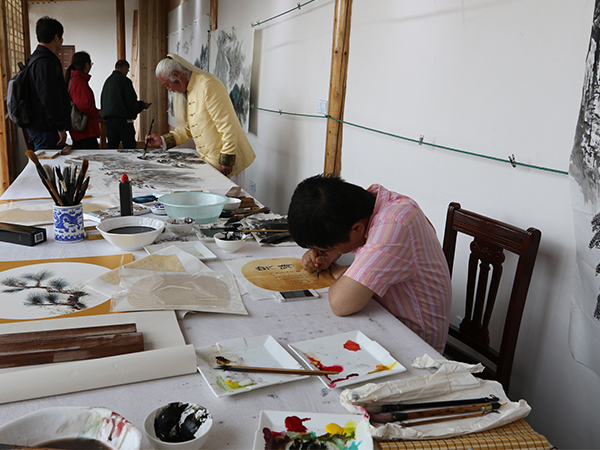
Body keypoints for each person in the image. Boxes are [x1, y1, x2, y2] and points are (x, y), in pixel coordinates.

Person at [287, 174, 452, 353]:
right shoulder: (363, 205)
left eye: (329, 247)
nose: (325, 251)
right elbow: (355, 242)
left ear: (357, 228)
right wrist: (326, 254)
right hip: (380, 317)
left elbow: (341, 304)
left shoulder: (394, 224)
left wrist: (339, 272)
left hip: (415, 345)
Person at [145, 54, 255, 183]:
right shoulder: (190, 89)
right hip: (210, 162)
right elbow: (189, 128)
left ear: (176, 75)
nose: (169, 90)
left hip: (226, 164)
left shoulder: (208, 84)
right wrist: (163, 140)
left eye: (166, 85)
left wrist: (227, 159)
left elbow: (227, 124)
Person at [25, 16, 71, 150]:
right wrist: (60, 126)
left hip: (40, 125)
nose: (62, 41)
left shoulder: (35, 58)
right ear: (56, 37)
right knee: (49, 161)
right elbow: (49, 97)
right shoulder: (45, 62)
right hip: (46, 128)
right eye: (61, 38)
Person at [101, 59, 151, 149]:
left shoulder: (108, 81)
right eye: (127, 70)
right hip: (123, 121)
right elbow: (131, 103)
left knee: (112, 147)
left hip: (109, 121)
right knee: (130, 147)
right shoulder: (125, 81)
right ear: (124, 68)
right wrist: (143, 105)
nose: (127, 73)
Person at [65, 51, 101, 149]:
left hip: (81, 130)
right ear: (86, 65)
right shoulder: (78, 81)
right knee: (90, 156)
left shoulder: (75, 79)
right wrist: (97, 112)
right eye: (91, 64)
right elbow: (83, 105)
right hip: (85, 130)